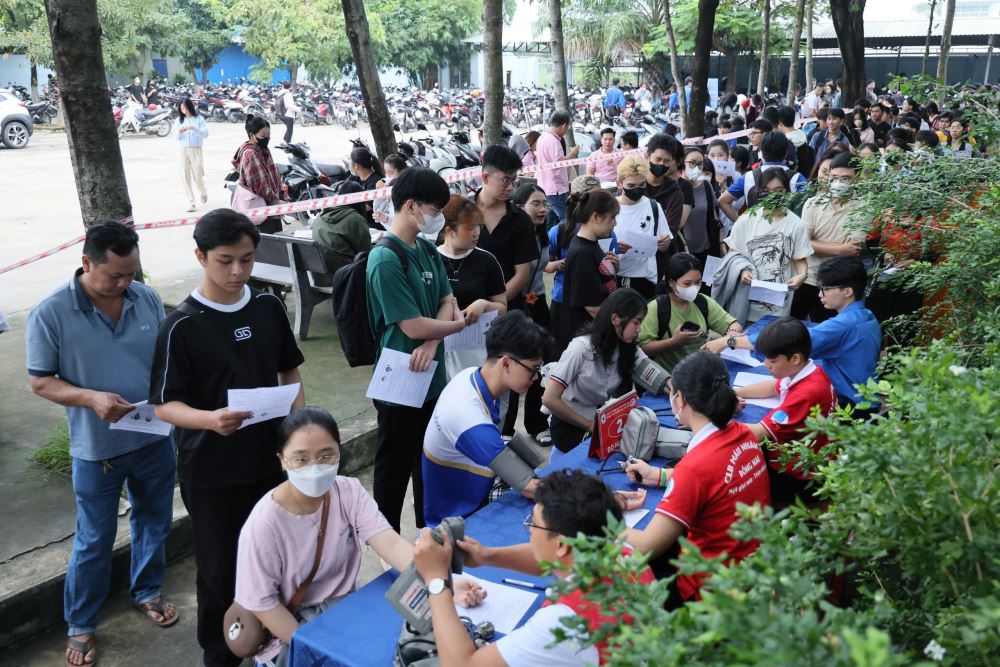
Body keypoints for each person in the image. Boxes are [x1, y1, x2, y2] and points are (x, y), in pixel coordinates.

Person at [149, 209, 305, 667]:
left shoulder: (268, 307)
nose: (237, 271)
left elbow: (289, 370)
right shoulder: (181, 325)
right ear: (200, 256)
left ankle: (272, 645)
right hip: (212, 472)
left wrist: (298, 430)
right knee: (220, 570)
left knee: (275, 558)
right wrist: (209, 419)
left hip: (270, 463)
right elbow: (164, 405)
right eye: (225, 260)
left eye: (247, 259)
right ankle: (221, 653)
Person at [27, 222, 177, 667]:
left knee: (155, 519)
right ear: (86, 263)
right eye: (115, 275)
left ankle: (147, 590)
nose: (125, 283)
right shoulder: (51, 312)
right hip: (97, 449)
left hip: (153, 436)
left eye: (132, 273)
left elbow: (164, 360)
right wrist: (90, 397)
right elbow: (40, 381)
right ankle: (81, 622)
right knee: (94, 538)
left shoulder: (145, 298)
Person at [235, 407, 486, 667]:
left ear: (339, 452)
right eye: (301, 459)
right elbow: (264, 605)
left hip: (346, 613)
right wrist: (313, 647)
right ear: (282, 460)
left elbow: (390, 544)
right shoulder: (264, 524)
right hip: (292, 635)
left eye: (326, 456)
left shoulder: (348, 492)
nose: (314, 468)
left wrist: (443, 583)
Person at [413, 469, 651, 666]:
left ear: (561, 544)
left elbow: (463, 664)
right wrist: (487, 556)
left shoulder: (564, 622)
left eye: (534, 525)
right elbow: (552, 560)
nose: (529, 531)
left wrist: (436, 581)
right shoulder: (623, 552)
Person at [624, 352, 770, 602]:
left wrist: (600, 522)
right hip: (749, 569)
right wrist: (659, 475)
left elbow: (646, 546)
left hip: (707, 593)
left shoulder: (694, 468)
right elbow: (717, 478)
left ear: (681, 399)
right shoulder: (743, 433)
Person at [365, 168, 464, 534]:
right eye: (434, 209)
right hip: (400, 379)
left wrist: (433, 341)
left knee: (428, 460)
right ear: (410, 206)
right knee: (393, 467)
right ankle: (386, 539)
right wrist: (454, 327)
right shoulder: (385, 258)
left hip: (431, 373)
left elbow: (447, 299)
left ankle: (428, 531)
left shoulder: (424, 248)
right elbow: (411, 326)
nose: (438, 218)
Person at [422, 311, 547, 524]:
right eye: (533, 369)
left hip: (473, 489)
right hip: (460, 518)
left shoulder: (471, 375)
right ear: (506, 364)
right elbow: (529, 487)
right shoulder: (470, 419)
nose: (536, 377)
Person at [707, 257, 881, 407]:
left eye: (826, 289)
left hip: (849, 405)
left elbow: (786, 341)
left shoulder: (844, 325)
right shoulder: (867, 316)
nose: (820, 295)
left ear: (848, 291)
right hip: (865, 399)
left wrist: (728, 341)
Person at [732, 318, 837, 505]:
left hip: (799, 474)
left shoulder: (807, 393)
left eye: (772, 360)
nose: (766, 364)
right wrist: (733, 393)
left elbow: (758, 433)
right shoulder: (808, 371)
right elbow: (773, 386)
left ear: (795, 358)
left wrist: (709, 419)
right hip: (808, 456)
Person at [543, 288, 648, 452]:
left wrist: (672, 385)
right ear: (615, 319)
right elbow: (549, 399)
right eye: (636, 322)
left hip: (598, 420)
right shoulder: (580, 348)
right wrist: (589, 425)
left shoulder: (626, 347)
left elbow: (651, 371)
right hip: (569, 425)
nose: (639, 329)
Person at [505, 184, 558, 444]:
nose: (542, 209)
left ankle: (537, 424)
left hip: (536, 302)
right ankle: (505, 430)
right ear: (519, 207)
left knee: (542, 364)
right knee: (514, 364)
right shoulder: (512, 236)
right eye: (535, 204)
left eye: (545, 204)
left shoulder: (542, 234)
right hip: (515, 306)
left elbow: (542, 266)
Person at [723, 168, 812, 322]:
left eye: (778, 190)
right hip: (744, 300)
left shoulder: (797, 225)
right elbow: (733, 253)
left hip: (777, 304)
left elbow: (799, 259)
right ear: (759, 192)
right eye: (766, 190)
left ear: (787, 192)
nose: (772, 195)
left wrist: (802, 276)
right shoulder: (746, 220)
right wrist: (743, 270)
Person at [437, 194, 507, 379]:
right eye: (470, 227)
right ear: (449, 230)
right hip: (439, 350)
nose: (477, 233)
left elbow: (502, 307)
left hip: (478, 352)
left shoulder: (487, 260)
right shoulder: (431, 260)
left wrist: (484, 304)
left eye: (479, 226)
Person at [792, 152, 868, 322]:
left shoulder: (864, 207)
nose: (838, 183)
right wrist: (840, 249)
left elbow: (853, 249)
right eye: (834, 177)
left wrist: (816, 244)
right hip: (808, 277)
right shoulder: (813, 203)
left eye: (846, 178)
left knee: (827, 329)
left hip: (837, 284)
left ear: (857, 179)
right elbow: (803, 243)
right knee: (792, 325)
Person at [548, 176, 619, 352]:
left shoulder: (591, 244)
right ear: (596, 217)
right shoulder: (582, 252)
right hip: (586, 335)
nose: (615, 223)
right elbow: (592, 306)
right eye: (612, 218)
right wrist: (618, 326)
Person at [638, 253, 742, 372]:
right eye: (687, 284)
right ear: (671, 283)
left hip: (703, 371)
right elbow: (644, 348)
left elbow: (733, 324)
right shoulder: (656, 308)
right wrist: (673, 342)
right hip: (671, 376)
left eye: (697, 282)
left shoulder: (703, 301)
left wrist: (728, 339)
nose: (694, 288)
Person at [472, 145, 540, 313]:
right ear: (485, 177)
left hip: (506, 311)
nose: (510, 187)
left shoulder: (520, 219)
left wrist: (493, 306)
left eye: (514, 180)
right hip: (464, 310)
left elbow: (522, 274)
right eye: (505, 180)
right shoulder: (461, 212)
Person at [614, 156, 672, 300]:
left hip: (645, 278)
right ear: (619, 183)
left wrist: (664, 244)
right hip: (615, 275)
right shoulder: (610, 207)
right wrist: (614, 247)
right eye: (631, 186)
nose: (637, 190)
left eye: (641, 185)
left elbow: (665, 241)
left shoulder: (653, 207)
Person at [718, 132, 806, 223]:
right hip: (788, 230)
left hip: (754, 230)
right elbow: (807, 206)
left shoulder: (748, 177)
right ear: (786, 152)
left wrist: (740, 224)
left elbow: (722, 201)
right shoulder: (797, 178)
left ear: (761, 152)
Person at [644, 133, 694, 264]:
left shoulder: (674, 192)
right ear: (647, 156)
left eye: (667, 161)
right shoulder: (635, 185)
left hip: (661, 258)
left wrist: (666, 241)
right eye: (658, 159)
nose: (662, 164)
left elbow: (671, 229)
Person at [311, 180, 373, 284]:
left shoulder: (321, 215)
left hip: (320, 277)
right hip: (345, 277)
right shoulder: (355, 218)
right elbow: (365, 251)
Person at [232, 115, 283, 233]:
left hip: (272, 208)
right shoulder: (251, 154)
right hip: (263, 212)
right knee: (269, 241)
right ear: (252, 136)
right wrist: (277, 200)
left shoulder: (264, 150)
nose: (267, 139)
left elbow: (274, 174)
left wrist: (281, 193)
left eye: (268, 136)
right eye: (263, 136)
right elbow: (261, 186)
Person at [536, 111, 580, 228]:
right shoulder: (554, 141)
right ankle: (562, 238)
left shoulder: (542, 137)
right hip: (556, 187)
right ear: (564, 125)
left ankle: (549, 238)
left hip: (545, 185)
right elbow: (559, 162)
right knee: (565, 218)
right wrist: (573, 153)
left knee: (550, 220)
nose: (566, 130)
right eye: (567, 127)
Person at [679, 147, 723, 265]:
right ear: (682, 163)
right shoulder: (675, 189)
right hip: (684, 252)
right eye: (692, 163)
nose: (696, 167)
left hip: (707, 249)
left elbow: (714, 217)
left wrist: (721, 242)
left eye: (700, 164)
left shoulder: (706, 186)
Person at [176, 97, 209, 213]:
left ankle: (203, 191)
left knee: (198, 175)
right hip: (182, 150)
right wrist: (180, 131)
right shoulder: (179, 120)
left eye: (185, 108)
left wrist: (194, 128)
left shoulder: (199, 119)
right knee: (185, 176)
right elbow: (175, 136)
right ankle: (192, 202)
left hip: (196, 150)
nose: (184, 110)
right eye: (182, 108)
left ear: (190, 107)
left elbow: (205, 134)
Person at [776, 106, 814, 179]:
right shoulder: (802, 134)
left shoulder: (784, 141)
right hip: (803, 175)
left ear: (780, 123)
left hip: (790, 177)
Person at [372, 154, 409, 229]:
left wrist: (386, 218)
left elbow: (405, 224)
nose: (387, 176)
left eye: (391, 173)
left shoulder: (406, 191)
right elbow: (376, 210)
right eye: (386, 173)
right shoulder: (389, 188)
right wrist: (379, 193)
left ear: (402, 173)